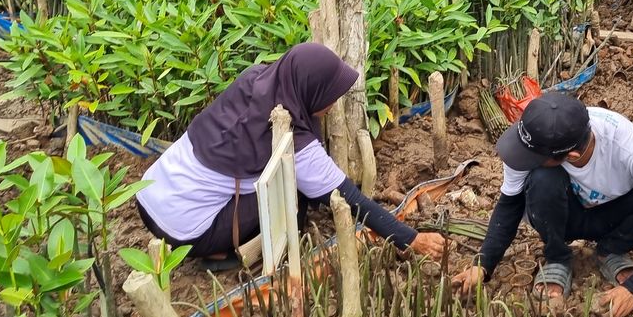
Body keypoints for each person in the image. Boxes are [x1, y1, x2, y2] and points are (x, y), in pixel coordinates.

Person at [135, 44, 447, 269]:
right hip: (188, 233)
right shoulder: (290, 136)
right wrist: (410, 239)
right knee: (291, 191)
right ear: (310, 89)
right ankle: (224, 253)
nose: (332, 104)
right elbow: (351, 199)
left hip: (149, 194)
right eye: (329, 96)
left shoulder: (256, 79)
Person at [451, 92, 633, 317]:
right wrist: (482, 265)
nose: (522, 158)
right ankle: (557, 256)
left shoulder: (627, 145)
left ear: (572, 156)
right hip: (562, 215)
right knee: (541, 178)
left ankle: (611, 250)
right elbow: (510, 203)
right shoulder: (533, 139)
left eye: (533, 156)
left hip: (615, 216)